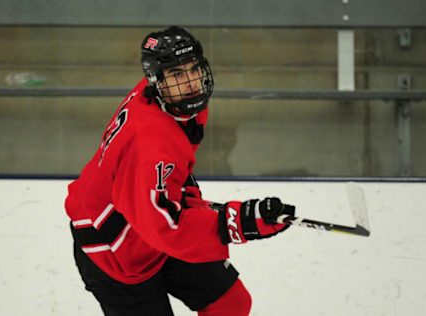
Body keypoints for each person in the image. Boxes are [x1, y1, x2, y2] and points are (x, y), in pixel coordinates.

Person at [65, 26, 295, 316]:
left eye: (194, 69)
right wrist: (240, 223)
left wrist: (192, 201)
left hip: (146, 220)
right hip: (116, 250)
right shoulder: (152, 143)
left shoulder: (173, 102)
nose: (190, 83)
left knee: (231, 304)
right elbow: (166, 226)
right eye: (177, 75)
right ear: (156, 80)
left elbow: (171, 178)